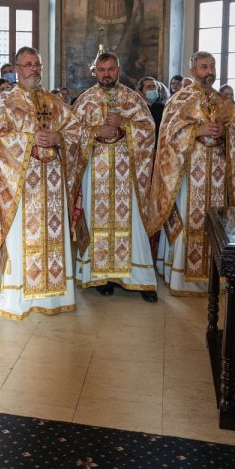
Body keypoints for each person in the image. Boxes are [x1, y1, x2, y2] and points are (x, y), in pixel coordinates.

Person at [0, 46, 83, 319]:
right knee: (22, 238)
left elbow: (75, 129)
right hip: (21, 183)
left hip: (53, 182)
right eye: (28, 64)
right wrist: (30, 140)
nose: (34, 69)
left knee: (53, 235)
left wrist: (59, 138)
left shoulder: (54, 102)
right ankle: (20, 298)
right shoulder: (5, 102)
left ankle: (54, 296)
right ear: (17, 69)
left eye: (37, 64)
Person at [146, 51, 235, 296]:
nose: (209, 71)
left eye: (212, 66)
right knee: (188, 220)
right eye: (204, 67)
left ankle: (216, 276)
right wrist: (197, 130)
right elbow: (168, 136)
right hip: (188, 174)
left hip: (218, 175)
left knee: (215, 222)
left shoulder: (225, 103)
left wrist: (226, 134)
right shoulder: (180, 100)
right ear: (193, 70)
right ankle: (181, 276)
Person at [71, 52, 158, 302]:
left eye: (110, 69)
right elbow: (71, 134)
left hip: (127, 175)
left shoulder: (133, 99)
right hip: (94, 173)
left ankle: (140, 279)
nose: (106, 74)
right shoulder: (85, 101)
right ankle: (101, 276)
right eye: (101, 69)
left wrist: (125, 125)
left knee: (132, 223)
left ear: (118, 70)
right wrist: (95, 131)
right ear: (94, 72)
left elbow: (148, 130)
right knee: (97, 220)